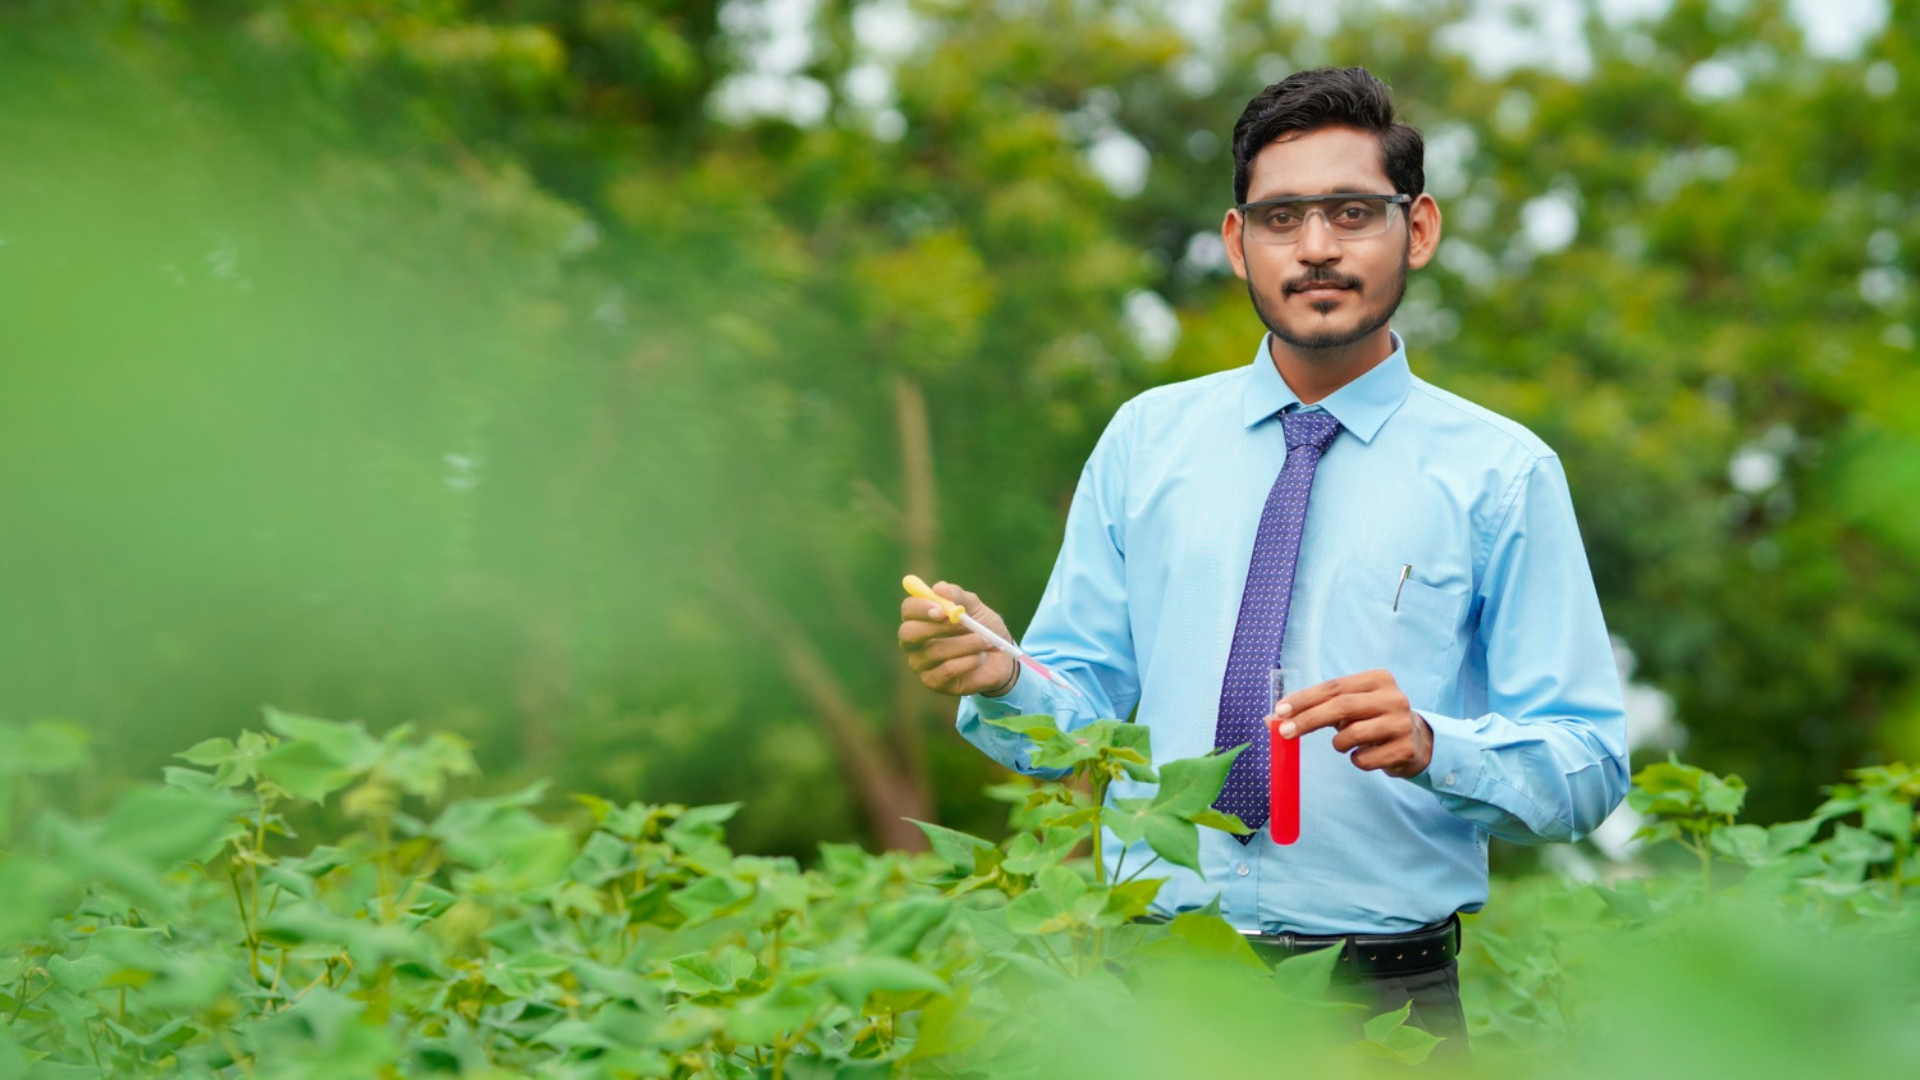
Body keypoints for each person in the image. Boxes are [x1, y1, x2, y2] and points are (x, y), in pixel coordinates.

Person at [896, 66, 1628, 1058]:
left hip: (1384, 1004)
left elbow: (1586, 764)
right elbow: (1080, 716)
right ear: (1239, 244)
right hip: (1152, 990)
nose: (1316, 247)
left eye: (1351, 212)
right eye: (1282, 217)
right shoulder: (1144, 442)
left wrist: (1430, 745)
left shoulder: (1501, 474)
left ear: (1417, 231)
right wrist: (1006, 676)